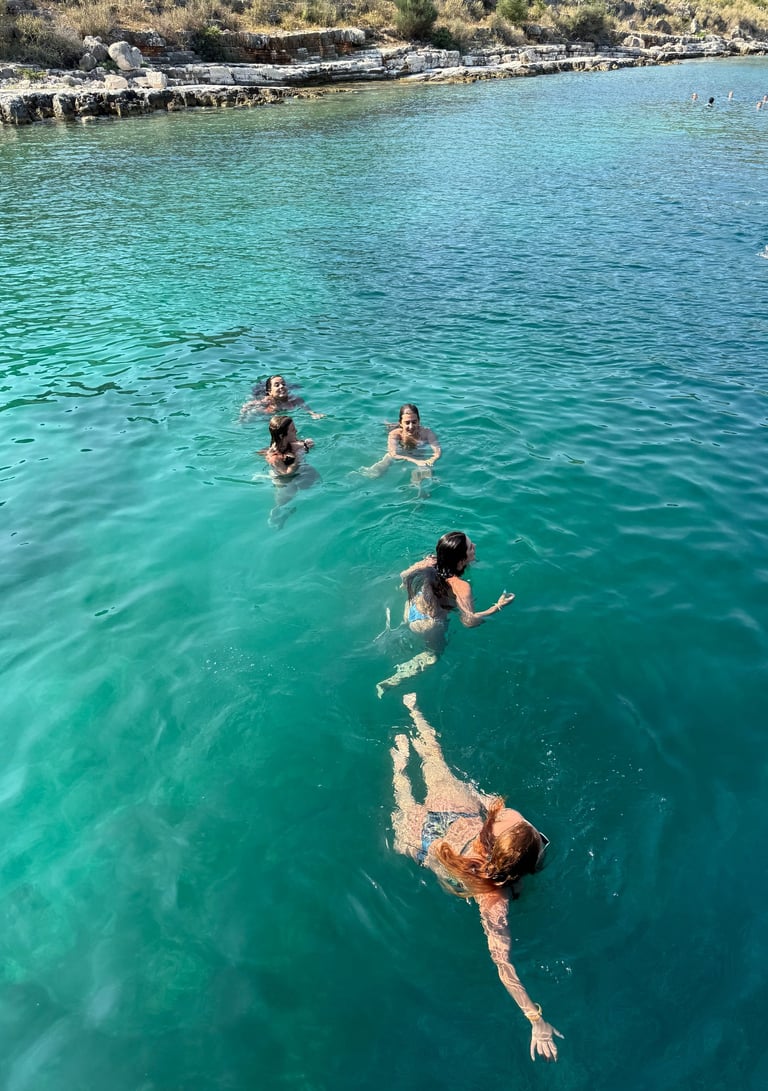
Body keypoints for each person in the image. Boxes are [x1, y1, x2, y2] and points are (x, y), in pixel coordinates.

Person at [390, 693, 564, 1062]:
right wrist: (534, 1018)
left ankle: (410, 719)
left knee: (434, 761)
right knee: (403, 813)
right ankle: (400, 771)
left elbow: (496, 811)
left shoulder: (503, 822)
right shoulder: (493, 898)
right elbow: (503, 963)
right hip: (428, 846)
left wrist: (484, 807)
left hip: (453, 814)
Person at [376, 531, 514, 696]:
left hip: (412, 608)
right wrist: (498, 606)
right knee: (433, 655)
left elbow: (404, 576)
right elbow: (469, 621)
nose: (475, 546)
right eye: (471, 547)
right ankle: (396, 678)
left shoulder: (431, 563)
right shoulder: (462, 586)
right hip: (429, 624)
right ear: (461, 560)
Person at [361, 404, 441, 488]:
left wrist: (432, 459)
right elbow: (393, 454)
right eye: (407, 423)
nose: (411, 426)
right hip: (401, 452)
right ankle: (361, 476)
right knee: (381, 465)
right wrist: (415, 461)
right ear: (401, 423)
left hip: (419, 455)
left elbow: (437, 450)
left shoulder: (427, 433)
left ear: (419, 421)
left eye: (414, 422)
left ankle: (416, 489)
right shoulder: (395, 433)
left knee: (425, 471)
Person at [258, 415, 318, 527]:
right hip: (284, 480)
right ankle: (277, 511)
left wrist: (307, 444)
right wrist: (299, 456)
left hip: (299, 473)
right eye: (292, 430)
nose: (296, 430)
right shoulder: (274, 456)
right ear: (282, 435)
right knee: (289, 494)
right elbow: (286, 473)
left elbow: (301, 445)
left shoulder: (291, 443)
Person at [240, 375, 324, 421]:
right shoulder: (265, 402)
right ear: (269, 391)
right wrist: (241, 419)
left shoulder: (294, 400)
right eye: (277, 385)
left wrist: (313, 414)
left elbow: (306, 408)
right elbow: (247, 406)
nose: (282, 386)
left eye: (283, 384)